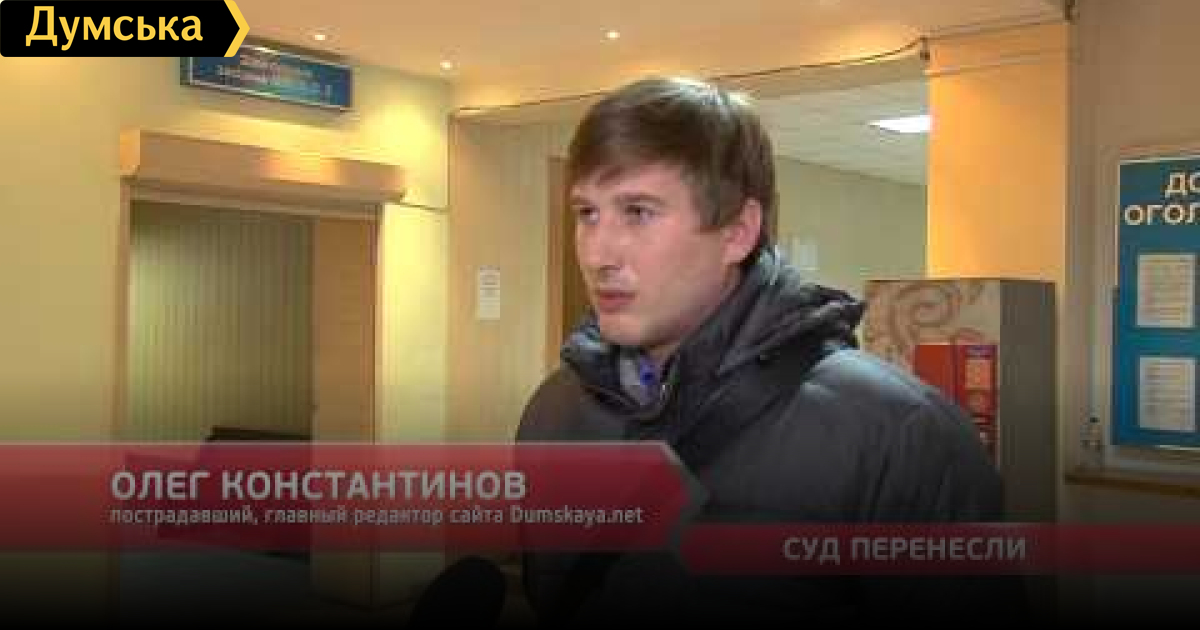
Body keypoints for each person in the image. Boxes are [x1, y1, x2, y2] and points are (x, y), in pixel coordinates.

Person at [516, 76, 1023, 625]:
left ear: (737, 232)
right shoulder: (553, 409)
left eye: (637, 212)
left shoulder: (901, 434)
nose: (598, 254)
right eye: (587, 213)